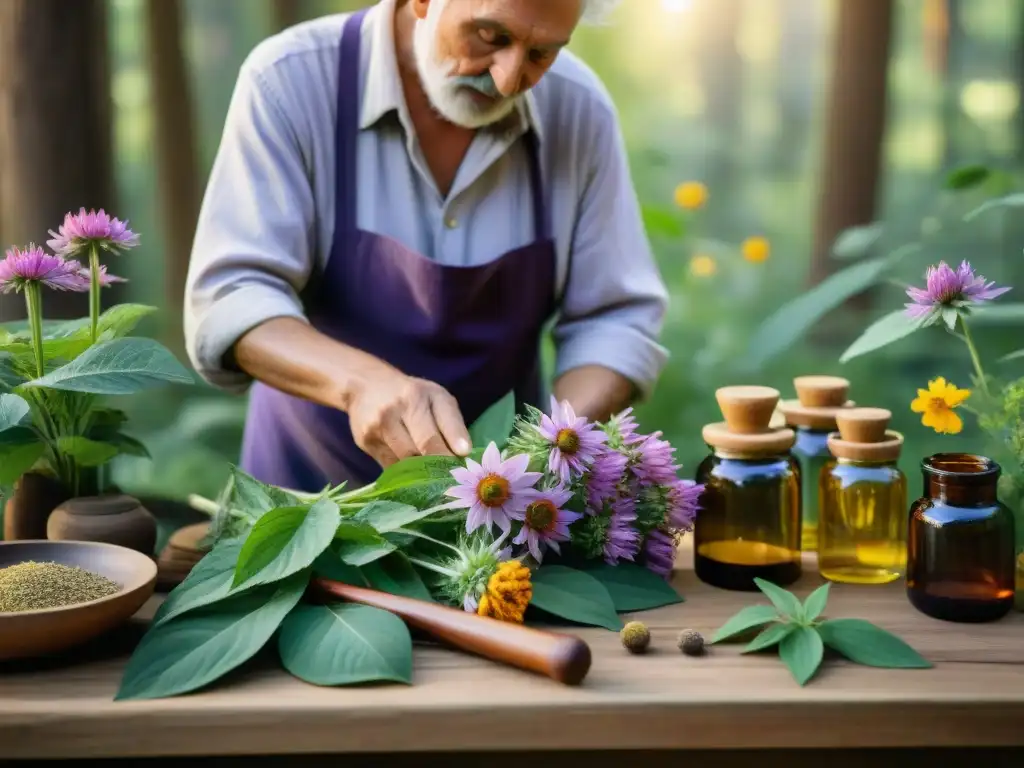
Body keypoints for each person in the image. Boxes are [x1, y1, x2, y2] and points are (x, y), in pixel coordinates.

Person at [183, 0, 669, 493]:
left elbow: (614, 320)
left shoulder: (579, 111)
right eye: (489, 35)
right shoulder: (291, 80)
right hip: (304, 507)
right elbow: (232, 295)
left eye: (541, 54)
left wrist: (553, 446)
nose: (506, 80)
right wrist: (362, 384)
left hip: (498, 534)